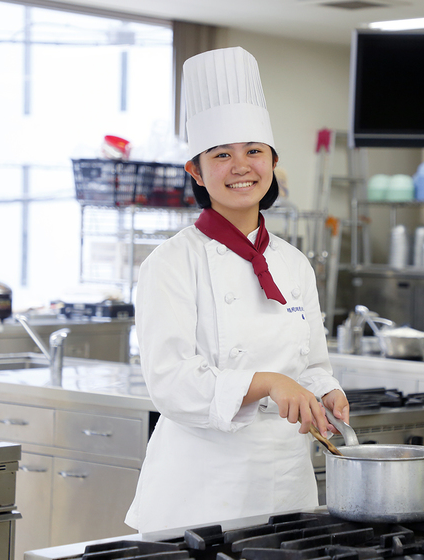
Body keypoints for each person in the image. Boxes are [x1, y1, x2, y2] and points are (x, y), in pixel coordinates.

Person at [125, 46, 349, 534]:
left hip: (286, 483)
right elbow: (171, 382)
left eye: (253, 151)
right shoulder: (170, 263)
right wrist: (267, 382)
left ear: (272, 161)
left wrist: (326, 391)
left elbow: (311, 363)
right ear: (196, 171)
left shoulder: (293, 263)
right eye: (221, 155)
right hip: (201, 490)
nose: (241, 166)